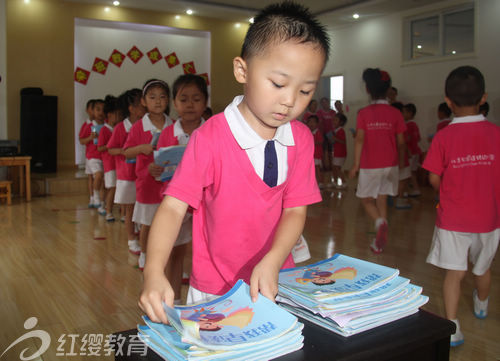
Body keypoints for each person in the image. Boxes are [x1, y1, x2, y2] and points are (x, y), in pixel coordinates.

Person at [139, 1, 329, 322]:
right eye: (279, 84)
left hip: (275, 280)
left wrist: (274, 260)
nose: (289, 100)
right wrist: (154, 272)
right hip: (216, 288)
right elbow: (173, 208)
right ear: (242, 70)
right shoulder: (210, 138)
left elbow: (296, 210)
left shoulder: (301, 139)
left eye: (305, 90)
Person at [423, 66, 500, 347]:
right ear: (484, 98)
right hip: (490, 218)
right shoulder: (496, 133)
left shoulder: (444, 135)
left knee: (454, 274)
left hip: (453, 217)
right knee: (482, 269)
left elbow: (433, 177)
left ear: (448, 100)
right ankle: (482, 303)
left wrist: (444, 188)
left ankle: (453, 327)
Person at [149, 74, 208, 304]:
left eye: (196, 99)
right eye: (184, 99)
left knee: (204, 253)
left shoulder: (212, 130)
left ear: (205, 102)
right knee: (175, 253)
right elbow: (160, 166)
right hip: (177, 204)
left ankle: (205, 300)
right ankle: (171, 301)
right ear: (175, 103)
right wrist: (155, 170)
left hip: (206, 203)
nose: (190, 104)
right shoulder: (167, 133)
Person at [348, 68, 406, 254]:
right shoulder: (395, 113)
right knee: (382, 199)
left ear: (367, 89)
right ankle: (379, 242)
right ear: (388, 89)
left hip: (370, 165)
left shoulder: (363, 113)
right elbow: (402, 142)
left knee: (366, 200)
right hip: (391, 165)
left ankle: (379, 223)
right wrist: (402, 162)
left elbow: (359, 139)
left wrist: (355, 165)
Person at [123, 79, 173, 270]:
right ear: (144, 101)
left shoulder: (173, 125)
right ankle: (144, 253)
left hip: (169, 183)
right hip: (147, 183)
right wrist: (141, 148)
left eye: (162, 97)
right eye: (152, 97)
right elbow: (126, 152)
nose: (158, 101)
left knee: (167, 222)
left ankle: (165, 255)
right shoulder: (138, 127)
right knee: (147, 223)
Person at [108, 89, 146, 255]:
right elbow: (111, 149)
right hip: (126, 175)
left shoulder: (144, 125)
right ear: (131, 108)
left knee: (141, 208)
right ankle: (131, 239)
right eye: (140, 104)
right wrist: (126, 152)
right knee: (129, 210)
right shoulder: (120, 128)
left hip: (141, 174)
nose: (144, 107)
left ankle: (139, 234)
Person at [97, 95, 123, 222]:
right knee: (112, 187)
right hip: (109, 164)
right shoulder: (104, 130)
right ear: (110, 115)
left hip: (119, 163)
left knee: (120, 187)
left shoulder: (119, 128)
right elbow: (100, 148)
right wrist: (110, 146)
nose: (118, 117)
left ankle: (123, 213)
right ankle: (108, 211)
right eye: (116, 114)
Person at [88, 99, 105, 210]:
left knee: (103, 181)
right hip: (93, 157)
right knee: (98, 175)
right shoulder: (89, 125)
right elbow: (81, 140)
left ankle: (102, 203)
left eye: (103, 110)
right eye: (97, 109)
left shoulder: (106, 126)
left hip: (104, 156)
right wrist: (91, 137)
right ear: (92, 111)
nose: (100, 112)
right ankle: (95, 196)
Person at [79, 99, 97, 207]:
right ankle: (92, 197)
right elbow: (81, 140)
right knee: (91, 177)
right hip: (90, 155)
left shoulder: (102, 123)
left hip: (100, 155)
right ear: (87, 110)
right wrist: (90, 137)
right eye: (92, 109)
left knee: (99, 177)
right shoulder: (86, 125)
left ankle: (98, 197)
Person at [402, 103, 422, 197]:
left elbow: (406, 139)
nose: (402, 114)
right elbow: (418, 138)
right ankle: (416, 189)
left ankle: (404, 191)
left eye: (404, 112)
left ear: (410, 113)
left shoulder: (407, 125)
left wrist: (408, 151)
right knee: (412, 172)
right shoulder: (415, 125)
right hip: (416, 151)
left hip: (410, 152)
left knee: (405, 174)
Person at [317, 96, 336, 174]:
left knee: (331, 151)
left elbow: (335, 123)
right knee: (323, 150)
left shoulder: (333, 112)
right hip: (322, 133)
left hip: (331, 134)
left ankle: (332, 166)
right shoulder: (319, 112)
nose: (325, 104)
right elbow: (320, 124)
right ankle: (324, 166)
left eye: (326, 102)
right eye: (323, 103)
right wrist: (321, 135)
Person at [306, 115, 324, 187]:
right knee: (312, 169)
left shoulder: (317, 132)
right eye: (309, 122)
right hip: (311, 154)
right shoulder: (308, 132)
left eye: (313, 122)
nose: (311, 124)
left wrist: (312, 142)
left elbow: (320, 141)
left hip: (316, 154)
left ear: (317, 124)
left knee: (317, 169)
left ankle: (320, 183)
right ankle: (314, 182)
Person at [330, 113, 347, 189]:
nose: (334, 121)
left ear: (341, 122)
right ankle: (334, 182)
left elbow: (343, 141)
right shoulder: (335, 131)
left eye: (336, 120)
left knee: (337, 168)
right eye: (333, 119)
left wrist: (335, 138)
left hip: (340, 153)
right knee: (334, 168)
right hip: (336, 152)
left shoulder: (341, 131)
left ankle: (344, 182)